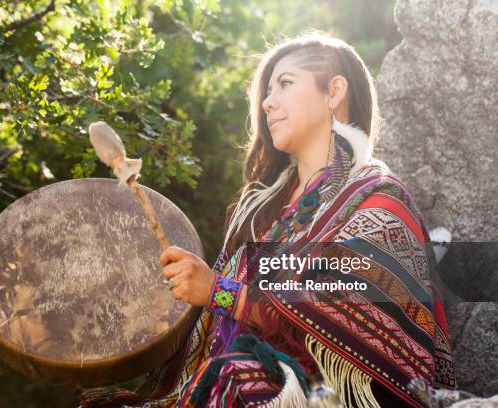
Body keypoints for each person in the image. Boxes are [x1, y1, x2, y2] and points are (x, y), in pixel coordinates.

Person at [79, 30, 455, 408]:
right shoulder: (261, 210)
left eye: (285, 85)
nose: (268, 104)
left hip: (321, 393)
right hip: (235, 373)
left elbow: (350, 309)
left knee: (239, 379)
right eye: (267, 93)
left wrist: (220, 291)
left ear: (334, 92)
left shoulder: (379, 201)